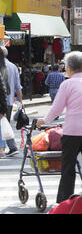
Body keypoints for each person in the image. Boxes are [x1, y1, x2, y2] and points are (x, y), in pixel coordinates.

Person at [37, 51, 82, 203]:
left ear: (69, 68)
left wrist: (43, 120)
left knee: (68, 167)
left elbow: (56, 109)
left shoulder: (67, 84)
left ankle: (64, 201)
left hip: (72, 132)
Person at [0, 46, 22, 156]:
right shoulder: (13, 67)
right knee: (5, 124)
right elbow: (18, 87)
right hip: (8, 101)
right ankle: (9, 147)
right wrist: (21, 101)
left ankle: (4, 147)